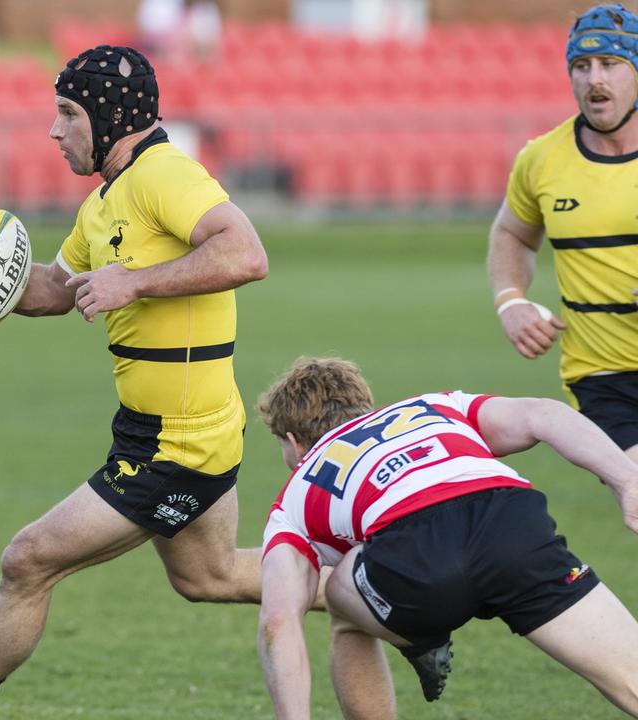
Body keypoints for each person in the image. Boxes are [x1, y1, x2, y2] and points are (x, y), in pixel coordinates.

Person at [0, 45, 269, 720]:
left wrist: (132, 281)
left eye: (68, 114)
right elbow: (56, 287)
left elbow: (245, 252)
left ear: (109, 116)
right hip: (164, 425)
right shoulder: (107, 201)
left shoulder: (164, 175)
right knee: (209, 577)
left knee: (28, 560)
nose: (55, 130)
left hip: (178, 441)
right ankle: (387, 596)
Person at [255, 356, 638, 718]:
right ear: (366, 405)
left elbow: (278, 619)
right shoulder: (435, 406)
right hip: (512, 525)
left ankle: (420, 640)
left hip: (416, 565)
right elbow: (545, 414)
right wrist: (627, 481)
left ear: (293, 441)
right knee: (630, 678)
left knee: (343, 599)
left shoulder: (295, 493)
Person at [488, 3, 638, 462]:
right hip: (602, 378)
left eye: (611, 64)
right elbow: (512, 234)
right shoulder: (541, 159)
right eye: (582, 66)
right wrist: (511, 300)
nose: (595, 79)